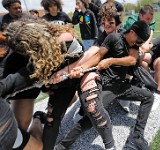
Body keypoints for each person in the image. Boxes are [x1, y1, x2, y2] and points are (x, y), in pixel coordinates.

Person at [2, 17, 100, 150]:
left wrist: (74, 68)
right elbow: (13, 83)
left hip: (71, 77)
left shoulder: (65, 39)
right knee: (52, 121)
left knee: (88, 104)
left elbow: (91, 54)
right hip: (55, 80)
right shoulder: (36, 63)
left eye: (25, 53)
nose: (26, 56)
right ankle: (40, 120)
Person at [54, 20, 153, 150]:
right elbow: (97, 55)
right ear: (132, 32)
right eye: (138, 40)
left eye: (141, 42)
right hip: (107, 86)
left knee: (149, 97)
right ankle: (63, 145)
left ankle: (138, 135)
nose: (138, 44)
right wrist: (81, 67)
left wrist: (111, 60)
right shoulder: (113, 38)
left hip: (121, 86)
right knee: (93, 116)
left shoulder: (133, 44)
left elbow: (132, 60)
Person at [0, 0, 40, 132]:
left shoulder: (28, 19)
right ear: (7, 8)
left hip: (27, 72)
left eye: (20, 7)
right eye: (15, 8)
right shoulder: (3, 23)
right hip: (10, 71)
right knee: (15, 125)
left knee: (22, 124)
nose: (19, 10)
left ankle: (38, 119)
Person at [119, 4, 156, 113]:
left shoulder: (150, 21)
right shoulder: (132, 21)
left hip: (137, 46)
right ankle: (125, 88)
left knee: (145, 61)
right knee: (132, 62)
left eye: (151, 19)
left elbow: (150, 33)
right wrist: (144, 46)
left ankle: (141, 84)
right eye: (147, 18)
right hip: (126, 46)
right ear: (140, 16)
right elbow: (132, 39)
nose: (149, 21)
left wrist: (147, 44)